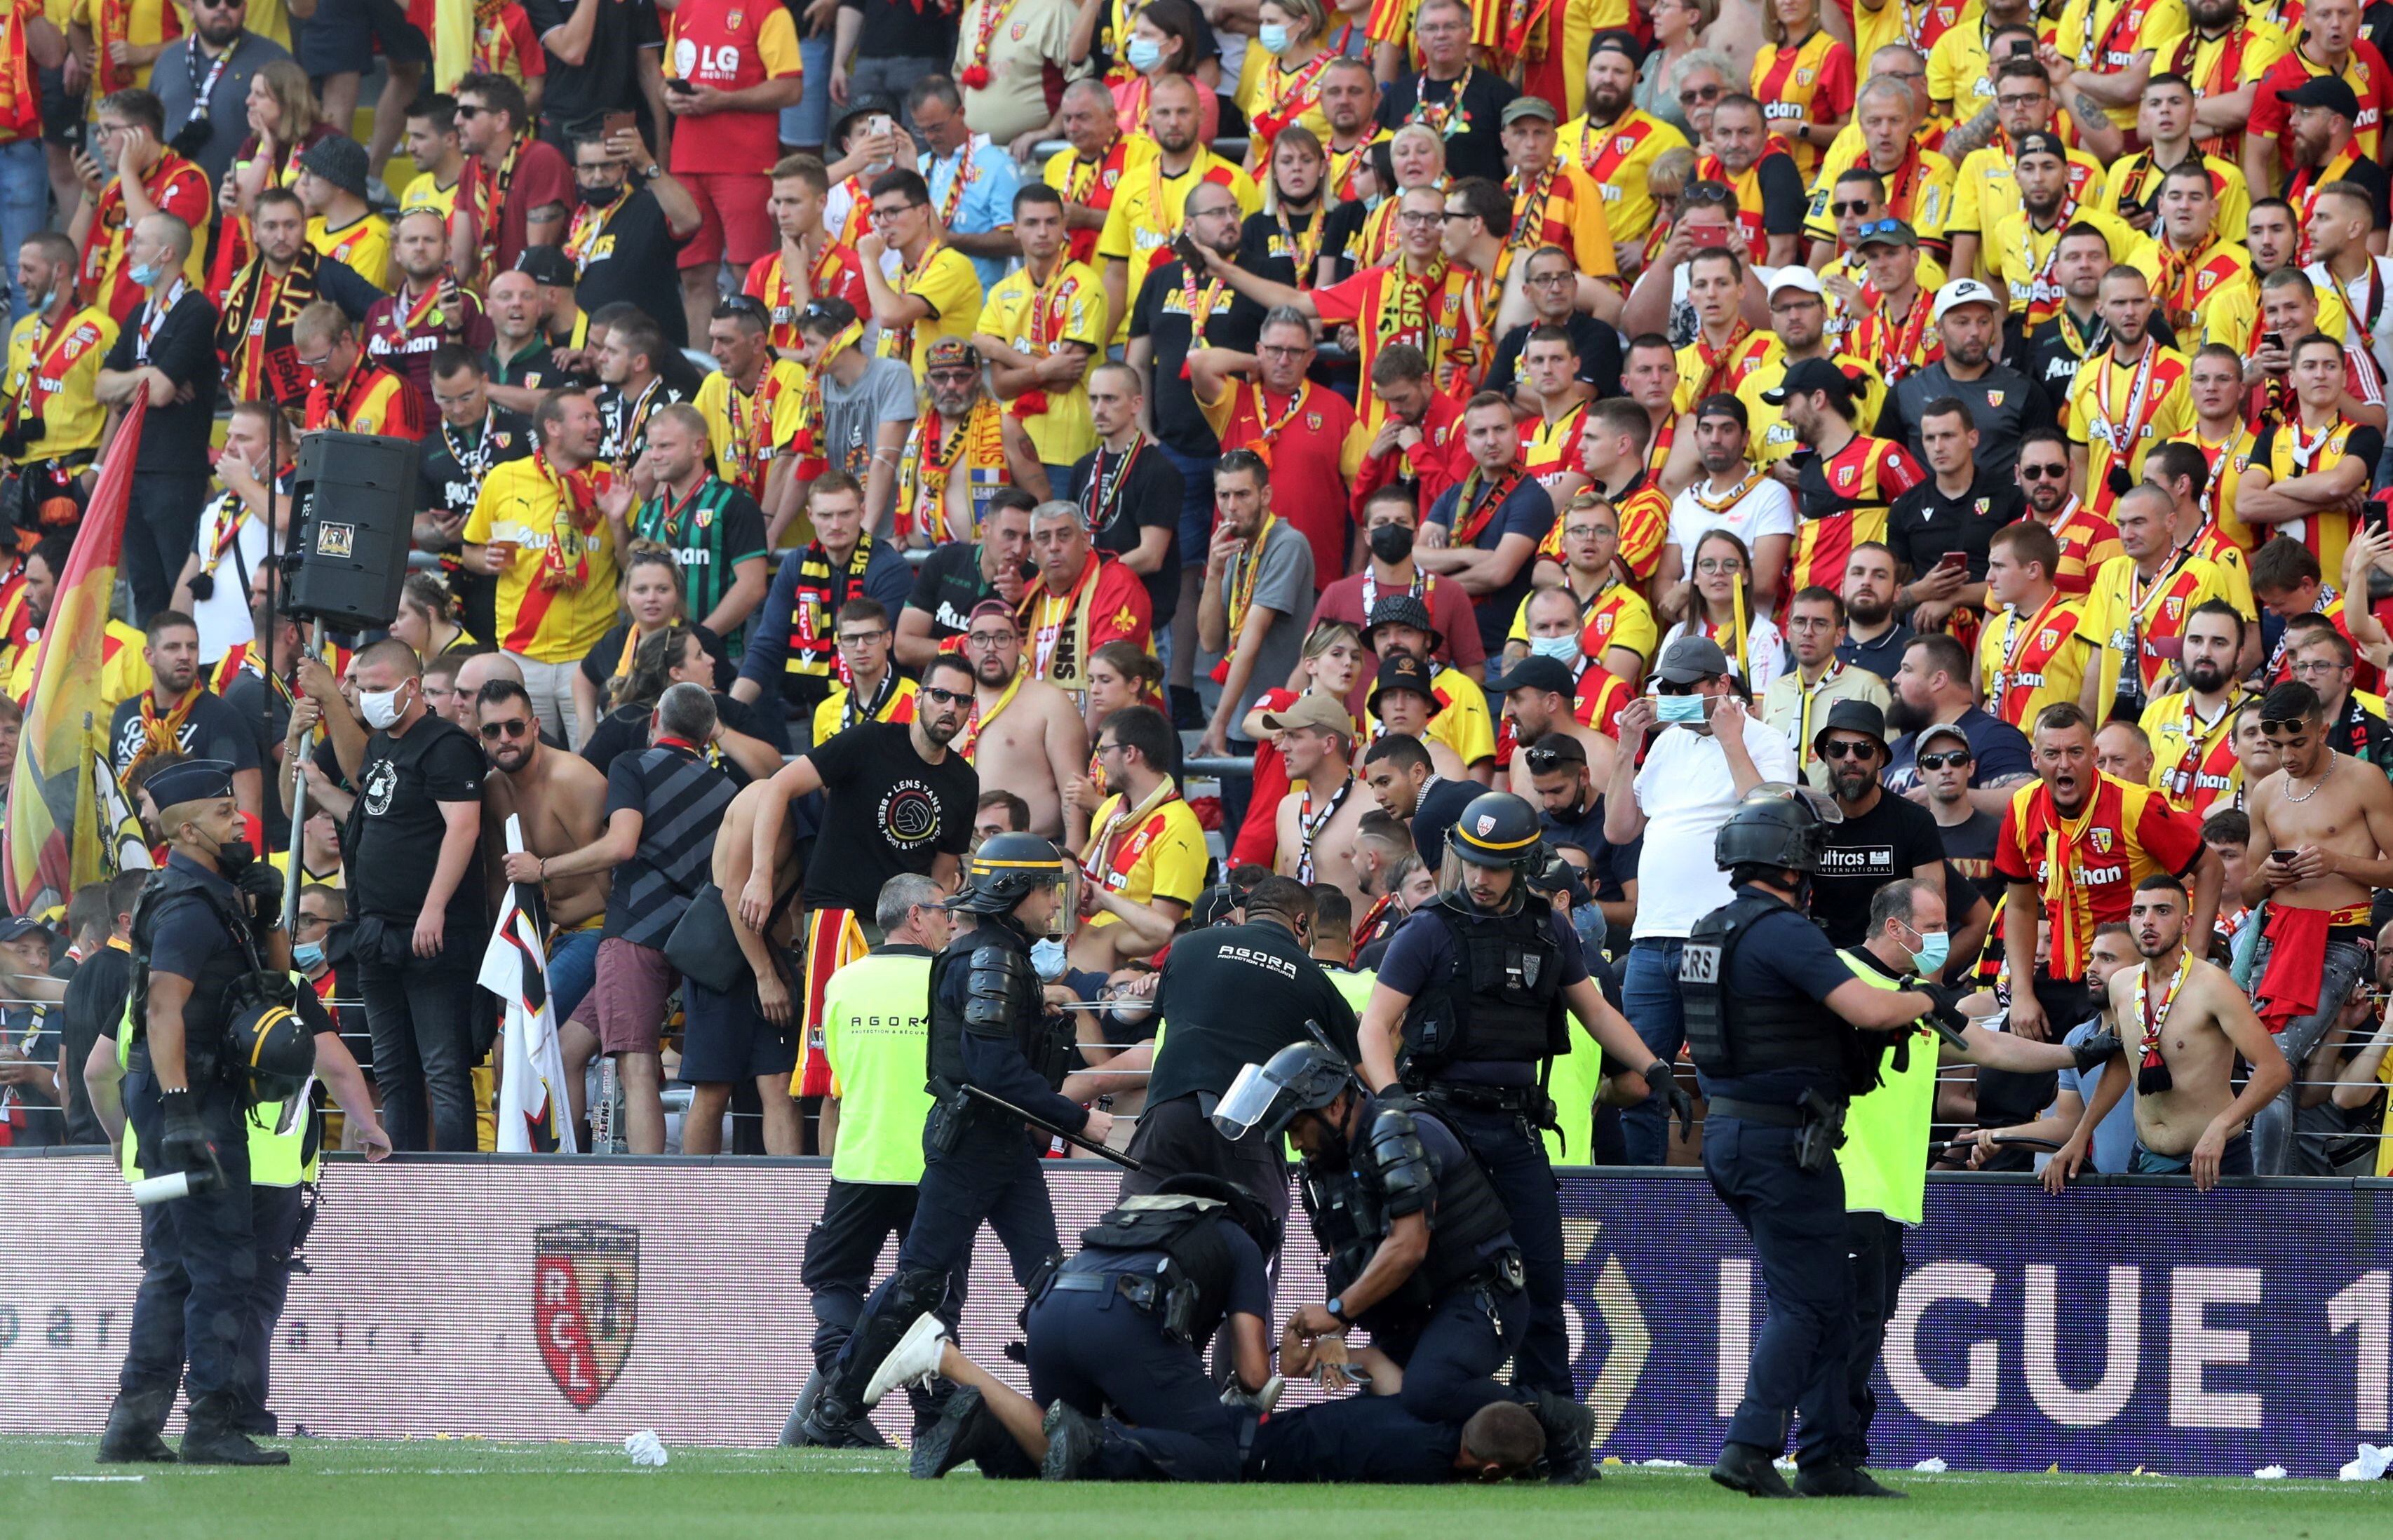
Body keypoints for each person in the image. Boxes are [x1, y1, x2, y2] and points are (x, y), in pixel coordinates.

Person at [1359, 788, 1680, 1471]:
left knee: (1540, 1283)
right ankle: (1418, 1429)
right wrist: (1391, 1103)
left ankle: (1556, 1440)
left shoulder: (1548, 929)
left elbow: (1593, 1011)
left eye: (1496, 866)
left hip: (1512, 1125)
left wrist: (1652, 1068)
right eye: (1471, 862)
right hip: (1440, 1125)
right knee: (1429, 1277)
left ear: (1524, 864)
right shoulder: (1427, 928)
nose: (1480, 877)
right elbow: (1374, 1024)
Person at [1680, 785, 1969, 1498]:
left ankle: (1824, 1459)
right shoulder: (1783, 932)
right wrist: (1930, 999)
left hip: (1731, 1129)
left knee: (1823, 1296)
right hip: (1782, 1139)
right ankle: (1752, 1448)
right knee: (1808, 1301)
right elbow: (1868, 1008)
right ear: (1791, 863)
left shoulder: (1710, 928)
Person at [795, 833, 1101, 1447]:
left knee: (1044, 1276)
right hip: (970, 1147)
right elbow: (991, 1071)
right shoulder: (990, 958)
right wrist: (1074, 1118)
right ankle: (837, 1410)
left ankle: (1078, 1412)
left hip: (992, 1144)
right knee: (921, 1285)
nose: (1054, 903)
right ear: (1018, 891)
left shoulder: (990, 954)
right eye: (1048, 889)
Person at [1214, 1036, 1588, 1478]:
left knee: (1428, 1393)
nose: (1295, 1145)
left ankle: (1557, 1418)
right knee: (1389, 1407)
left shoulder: (1402, 1130)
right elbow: (1346, 1259)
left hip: (1483, 1295)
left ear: (1334, 1107)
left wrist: (1336, 1312)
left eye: (1297, 1127)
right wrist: (1328, 1339)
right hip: (1416, 1312)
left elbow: (1409, 1247)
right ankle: (1511, 1458)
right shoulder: (1325, 1167)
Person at [1831, 877, 2106, 1468]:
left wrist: (2078, 1054)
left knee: (1863, 1331)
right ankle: (1828, 1452)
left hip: (1888, 1194)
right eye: (1932, 928)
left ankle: (1828, 1447)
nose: (1943, 941)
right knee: (1843, 1331)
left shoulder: (1919, 999)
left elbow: (1991, 1047)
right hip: (1839, 1186)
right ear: (1895, 929)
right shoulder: (1837, 979)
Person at [98, 758, 291, 1465]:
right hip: (190, 1105)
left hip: (167, 1106)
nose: (237, 819)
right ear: (184, 829)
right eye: (221, 812)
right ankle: (211, 1425)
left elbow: (276, 985)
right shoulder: (185, 903)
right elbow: (163, 1007)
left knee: (173, 1265)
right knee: (222, 1264)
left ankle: (133, 1426)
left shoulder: (212, 894)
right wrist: (183, 1114)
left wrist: (266, 912)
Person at [882, 1172, 1277, 1483]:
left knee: (1055, 1452)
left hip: (1050, 1306)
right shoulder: (1239, 1238)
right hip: (1121, 1317)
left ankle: (988, 1426)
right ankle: (1090, 1439)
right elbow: (1254, 1374)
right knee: (1217, 1456)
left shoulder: (1151, 1219)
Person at [744, 651, 980, 1147]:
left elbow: (943, 868)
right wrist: (760, 875)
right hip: (841, 918)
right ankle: (835, 1193)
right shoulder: (871, 740)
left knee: (908, 1063)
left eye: (962, 700)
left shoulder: (964, 780)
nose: (950, 708)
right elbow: (777, 787)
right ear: (919, 698)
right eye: (941, 695)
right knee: (840, 1075)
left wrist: (938, 930)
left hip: (909, 930)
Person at [515, 682, 734, 1155]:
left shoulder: (633, 764)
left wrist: (544, 868)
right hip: (693, 942)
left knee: (635, 1069)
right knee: (570, 1048)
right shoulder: (725, 786)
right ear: (706, 734)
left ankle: (645, 1189)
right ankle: (572, 1166)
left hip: (634, 934)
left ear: (656, 719)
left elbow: (621, 845)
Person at [1605, 635, 1800, 1164]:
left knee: (1723, 1087)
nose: (1672, 697)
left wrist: (1732, 739)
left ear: (1721, 686)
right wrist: (1627, 748)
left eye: (1684, 688)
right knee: (1641, 1084)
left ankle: (1725, 1212)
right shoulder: (1666, 743)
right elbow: (1619, 828)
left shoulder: (1764, 740)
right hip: (1651, 937)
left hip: (1717, 937)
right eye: (1666, 688)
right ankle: (1643, 1215)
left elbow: (1773, 825)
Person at [785, 871, 961, 1442]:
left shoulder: (842, 982)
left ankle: (842, 1395)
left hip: (860, 1160)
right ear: (916, 916)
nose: (951, 921)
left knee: (834, 1281)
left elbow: (838, 1070)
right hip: (934, 1165)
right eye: (942, 911)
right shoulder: (948, 978)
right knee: (933, 1305)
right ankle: (929, 1428)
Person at [317, 639, 485, 1153]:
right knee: (393, 1073)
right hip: (376, 933)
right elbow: (375, 821)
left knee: (443, 1072)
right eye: (362, 688)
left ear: (413, 686)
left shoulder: (445, 745)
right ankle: (405, 1187)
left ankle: (457, 1192)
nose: (368, 698)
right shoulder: (381, 746)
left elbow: (463, 828)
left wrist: (434, 908)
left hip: (430, 934)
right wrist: (320, 789)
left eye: (379, 688)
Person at [2238, 677, 2393, 1172]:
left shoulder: (2364, 779)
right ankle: (2275, 1205)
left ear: (2323, 729)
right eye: (2275, 744)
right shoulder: (2265, 792)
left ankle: (2268, 1208)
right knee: (2270, 1066)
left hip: (2340, 938)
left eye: (2297, 742)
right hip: (2276, 938)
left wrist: (2337, 862)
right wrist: (2267, 875)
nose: (2286, 755)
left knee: (2273, 1062)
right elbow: (2247, 892)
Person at [2049, 876, 2292, 1188]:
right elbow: (2124, 1062)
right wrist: (2080, 1135)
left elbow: (2275, 1070)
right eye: (2139, 912)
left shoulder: (2214, 986)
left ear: (2186, 923)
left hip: (2213, 1160)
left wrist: (2221, 1125)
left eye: (2162, 911)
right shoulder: (2122, 984)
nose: (2148, 921)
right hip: (2146, 1157)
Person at [1998, 702, 2219, 1045]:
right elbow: (2022, 907)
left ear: (2093, 755)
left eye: (2075, 752)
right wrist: (2022, 992)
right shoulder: (2021, 807)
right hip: (2063, 974)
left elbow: (2210, 868)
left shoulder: (2137, 805)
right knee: (2004, 1081)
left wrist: (2196, 959)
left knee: (2097, 1075)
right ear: (2034, 759)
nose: (2065, 764)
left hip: (2130, 974)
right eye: (2052, 754)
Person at [461, 388, 627, 746]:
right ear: (552, 426)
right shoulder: (505, 478)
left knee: (595, 760)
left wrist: (617, 520)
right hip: (521, 655)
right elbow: (469, 550)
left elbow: (631, 564)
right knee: (523, 761)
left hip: (590, 656)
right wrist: (484, 560)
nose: (597, 425)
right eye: (585, 417)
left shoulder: (613, 482)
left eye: (597, 418)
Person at [93, 210, 219, 621]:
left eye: (139, 242)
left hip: (176, 473)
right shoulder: (138, 316)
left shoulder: (197, 311)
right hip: (134, 469)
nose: (129, 249)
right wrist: (147, 376)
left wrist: (138, 386)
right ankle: (153, 682)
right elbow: (100, 386)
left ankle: (193, 677)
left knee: (177, 586)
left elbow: (162, 393)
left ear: (166, 253)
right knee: (146, 590)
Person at [474, 676, 608, 1036]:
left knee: (518, 1035)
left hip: (600, 932)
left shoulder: (572, 778)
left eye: (514, 727)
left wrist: (621, 956)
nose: (505, 738)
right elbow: (499, 887)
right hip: (550, 938)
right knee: (533, 1049)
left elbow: (612, 867)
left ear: (535, 727)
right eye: (492, 730)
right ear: (480, 736)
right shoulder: (493, 791)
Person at [732, 471, 912, 733]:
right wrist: (730, 710)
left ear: (862, 512)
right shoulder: (796, 564)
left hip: (881, 708)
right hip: (821, 710)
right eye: (826, 516)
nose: (836, 525)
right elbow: (768, 645)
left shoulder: (889, 568)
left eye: (845, 514)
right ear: (810, 516)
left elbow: (877, 650)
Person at [2076, 484, 2242, 727]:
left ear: (2170, 522)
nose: (2127, 534)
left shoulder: (2202, 574)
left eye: (2138, 523)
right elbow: (2097, 658)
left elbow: (2201, 660)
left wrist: (2160, 719)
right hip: (2114, 724)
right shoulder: (2111, 571)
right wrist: (2087, 731)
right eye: (2122, 524)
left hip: (2171, 723)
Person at [1197, 450, 1315, 781]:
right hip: (1238, 724)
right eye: (1224, 495)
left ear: (1265, 495)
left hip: (1275, 729)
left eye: (1242, 494)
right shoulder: (1236, 553)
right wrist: (1213, 573)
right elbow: (1209, 641)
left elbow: (1251, 637)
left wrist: (1217, 722)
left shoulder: (1287, 544)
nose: (1231, 507)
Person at [1074, 705, 1204, 974]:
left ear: (1130, 753)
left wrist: (1124, 979)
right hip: (1086, 950)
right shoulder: (1110, 810)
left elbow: (1162, 931)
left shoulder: (1179, 825)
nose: (1098, 763)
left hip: (1130, 972)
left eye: (1104, 752)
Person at [2, 231, 119, 524]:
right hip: (19, 478)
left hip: (71, 479)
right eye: (19, 270)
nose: (20, 281)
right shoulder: (22, 330)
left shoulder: (101, 329)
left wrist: (97, 472)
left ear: (60, 270)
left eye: (30, 270)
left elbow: (117, 409)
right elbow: (10, 401)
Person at [950, 599, 1088, 844]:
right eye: (980, 638)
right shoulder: (951, 703)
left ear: (1020, 645)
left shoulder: (1051, 702)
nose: (990, 647)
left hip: (1029, 851)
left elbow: (1073, 792)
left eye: (1002, 638)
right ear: (967, 646)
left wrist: (1074, 860)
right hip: (958, 852)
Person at [109, 610, 262, 818]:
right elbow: (111, 794)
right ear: (149, 655)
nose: (185, 655)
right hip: (131, 846)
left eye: (192, 647)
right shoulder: (124, 714)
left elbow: (249, 806)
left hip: (195, 847)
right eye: (172, 647)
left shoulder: (223, 717)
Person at [1661, 396, 1795, 621]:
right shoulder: (1685, 501)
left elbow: (1763, 582)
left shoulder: (1770, 494)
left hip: (1751, 638)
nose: (1715, 439)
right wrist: (1693, 619)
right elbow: (1664, 580)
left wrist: (1687, 589)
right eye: (1706, 429)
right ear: (1696, 437)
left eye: (1727, 429)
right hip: (1692, 637)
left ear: (1745, 438)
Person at [447, 72, 570, 288]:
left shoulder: (542, 161)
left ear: (501, 120)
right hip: (494, 302)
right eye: (456, 111)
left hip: (531, 302)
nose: (457, 121)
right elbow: (460, 261)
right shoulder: (471, 168)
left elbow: (536, 262)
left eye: (468, 112)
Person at [694, 298, 807, 534]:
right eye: (713, 340)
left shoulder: (789, 376)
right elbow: (684, 449)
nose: (714, 352)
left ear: (757, 343)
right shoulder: (714, 384)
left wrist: (762, 531)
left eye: (725, 341)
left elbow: (789, 459)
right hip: (739, 537)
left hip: (787, 545)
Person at [1762, 587, 1891, 790]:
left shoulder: (1867, 686)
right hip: (1783, 813)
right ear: (1787, 631)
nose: (1807, 632)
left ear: (1840, 635)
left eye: (1820, 624)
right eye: (1799, 622)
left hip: (1842, 815)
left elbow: (1889, 766)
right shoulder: (1775, 691)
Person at [2141, 600, 2251, 818]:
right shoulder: (2155, 712)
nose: (2205, 652)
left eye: (2219, 643)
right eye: (2195, 641)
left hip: (2225, 849)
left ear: (2240, 655)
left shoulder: (2258, 719)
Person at [1979, 520, 2090, 735]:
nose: (1989, 577)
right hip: (2001, 755)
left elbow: (2091, 703)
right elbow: (1989, 698)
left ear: (2033, 570)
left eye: (1999, 566)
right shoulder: (1996, 627)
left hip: (2053, 759)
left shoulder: (2078, 622)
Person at [295, 299, 422, 438]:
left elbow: (406, 457)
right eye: (310, 363)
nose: (316, 371)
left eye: (322, 360)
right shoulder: (315, 397)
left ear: (346, 339)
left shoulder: (393, 388)